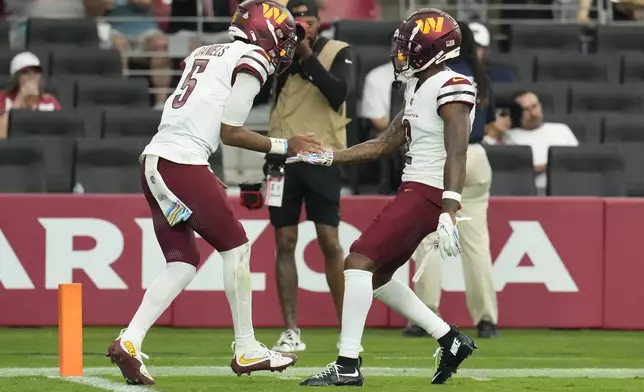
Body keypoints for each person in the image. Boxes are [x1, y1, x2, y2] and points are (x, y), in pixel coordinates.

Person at [105, 0, 325, 385]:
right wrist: (287, 146)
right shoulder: (252, 56)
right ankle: (247, 347)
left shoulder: (204, 51)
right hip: (181, 163)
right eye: (284, 38)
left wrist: (200, 170)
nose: (285, 48)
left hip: (156, 160)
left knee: (182, 262)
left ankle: (130, 341)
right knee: (237, 248)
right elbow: (232, 131)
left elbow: (194, 115)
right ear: (265, 31)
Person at [289, 8, 477, 386]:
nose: (402, 54)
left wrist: (450, 207)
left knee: (357, 261)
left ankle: (347, 363)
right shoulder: (418, 86)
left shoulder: (452, 85)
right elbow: (385, 142)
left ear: (433, 49)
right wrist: (328, 155)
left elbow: (457, 152)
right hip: (416, 187)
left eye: (410, 47)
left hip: (429, 190)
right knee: (376, 277)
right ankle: (449, 338)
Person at [265, 0, 355, 353]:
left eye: (307, 20)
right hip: (281, 155)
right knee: (284, 242)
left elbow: (339, 93)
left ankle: (347, 328)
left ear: (319, 23)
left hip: (322, 155)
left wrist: (305, 54)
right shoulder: (278, 54)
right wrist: (283, 52)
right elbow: (259, 95)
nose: (302, 25)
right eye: (296, 20)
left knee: (329, 241)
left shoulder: (338, 51)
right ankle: (290, 329)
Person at [403, 21, 499, 340]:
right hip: (478, 158)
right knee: (476, 244)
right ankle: (486, 319)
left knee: (429, 237)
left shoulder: (437, 74)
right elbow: (490, 119)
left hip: (445, 159)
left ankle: (425, 314)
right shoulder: (480, 75)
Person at [505, 91, 578, 195]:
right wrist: (551, 165)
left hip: (567, 190)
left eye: (534, 106)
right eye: (526, 109)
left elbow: (578, 163)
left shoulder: (562, 129)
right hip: (530, 193)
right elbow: (515, 172)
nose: (533, 113)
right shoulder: (509, 136)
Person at [0, 52, 62, 139]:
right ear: (16, 78)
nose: (32, 76)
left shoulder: (50, 101)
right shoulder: (2, 98)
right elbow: (2, 135)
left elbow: (60, 130)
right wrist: (20, 100)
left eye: (36, 72)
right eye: (26, 72)